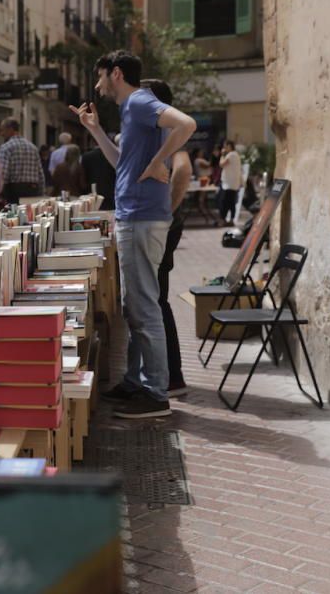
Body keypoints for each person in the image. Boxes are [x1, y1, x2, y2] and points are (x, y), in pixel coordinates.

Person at [70, 50, 196, 419]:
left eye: (100, 76)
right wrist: (93, 129)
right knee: (135, 306)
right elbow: (120, 162)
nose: (97, 85)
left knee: (143, 307)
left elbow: (186, 124)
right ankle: (136, 382)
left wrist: (159, 163)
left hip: (142, 217)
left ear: (117, 73)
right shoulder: (132, 109)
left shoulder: (141, 100)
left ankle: (155, 394)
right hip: (133, 215)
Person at [142, 78, 193, 398]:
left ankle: (172, 377)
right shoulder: (160, 133)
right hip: (163, 226)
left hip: (163, 228)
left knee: (157, 300)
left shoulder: (170, 131)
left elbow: (184, 170)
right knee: (156, 299)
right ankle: (168, 374)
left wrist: (167, 213)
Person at [0, 117, 45, 202]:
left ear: (10, 129)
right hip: (33, 189)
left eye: (3, 130)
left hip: (14, 190)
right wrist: (41, 192)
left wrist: (1, 192)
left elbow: (3, 173)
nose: (1, 133)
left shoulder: (6, 147)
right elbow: (40, 173)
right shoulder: (33, 147)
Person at [81, 142, 117, 209]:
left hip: (93, 189)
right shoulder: (112, 155)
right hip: (111, 189)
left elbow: (84, 175)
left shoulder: (86, 156)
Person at [218, 139, 243, 225]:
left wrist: (222, 155)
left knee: (224, 202)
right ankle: (231, 220)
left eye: (225, 146)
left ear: (229, 146)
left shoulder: (231, 155)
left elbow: (221, 164)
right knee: (231, 203)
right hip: (233, 183)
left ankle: (223, 220)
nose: (224, 148)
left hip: (228, 184)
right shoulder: (235, 155)